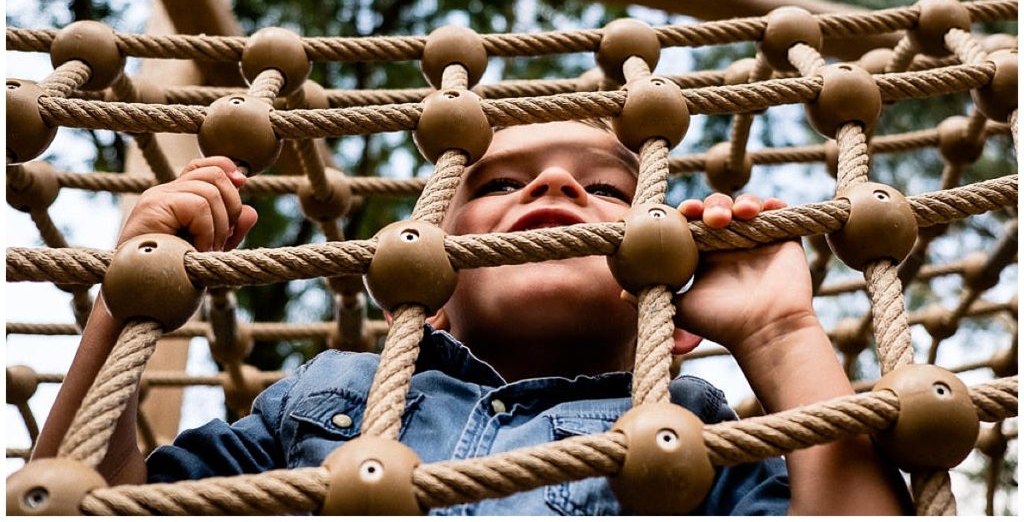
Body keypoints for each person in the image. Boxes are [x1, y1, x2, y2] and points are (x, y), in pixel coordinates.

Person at [33, 120, 910, 515]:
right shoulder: (330, 392)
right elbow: (92, 500)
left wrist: (777, 334)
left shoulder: (693, 433)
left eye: (607, 188)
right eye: (497, 184)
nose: (554, 187)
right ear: (426, 288)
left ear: (666, 306)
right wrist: (127, 297)